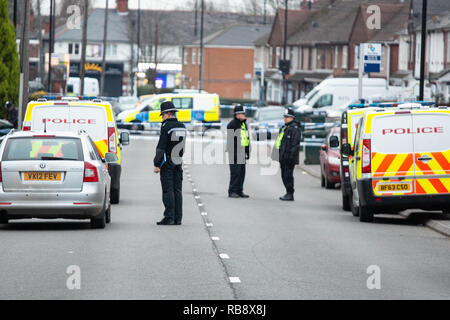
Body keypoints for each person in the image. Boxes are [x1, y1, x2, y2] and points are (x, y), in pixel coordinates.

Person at [153, 101, 187, 225]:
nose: (162, 117)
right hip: (178, 160)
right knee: (177, 190)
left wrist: (157, 164)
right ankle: (178, 218)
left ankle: (169, 217)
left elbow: (161, 146)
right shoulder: (182, 126)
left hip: (167, 161)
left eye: (162, 115)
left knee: (168, 190)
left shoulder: (166, 126)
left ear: (167, 113)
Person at [272, 108, 301, 201]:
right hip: (283, 156)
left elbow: (295, 144)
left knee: (288, 176)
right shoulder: (284, 128)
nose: (285, 119)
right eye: (284, 117)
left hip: (289, 157)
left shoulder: (294, 129)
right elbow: (279, 142)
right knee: (284, 175)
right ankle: (288, 192)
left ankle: (290, 193)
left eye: (287, 117)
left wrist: (290, 156)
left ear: (292, 118)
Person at [226, 104, 250, 198]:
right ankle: (232, 191)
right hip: (235, 153)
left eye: (244, 113)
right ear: (237, 114)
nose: (244, 115)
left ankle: (239, 190)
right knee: (235, 173)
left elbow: (246, 139)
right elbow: (230, 141)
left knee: (241, 173)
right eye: (242, 113)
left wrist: (247, 151)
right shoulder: (232, 124)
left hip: (242, 152)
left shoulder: (243, 124)